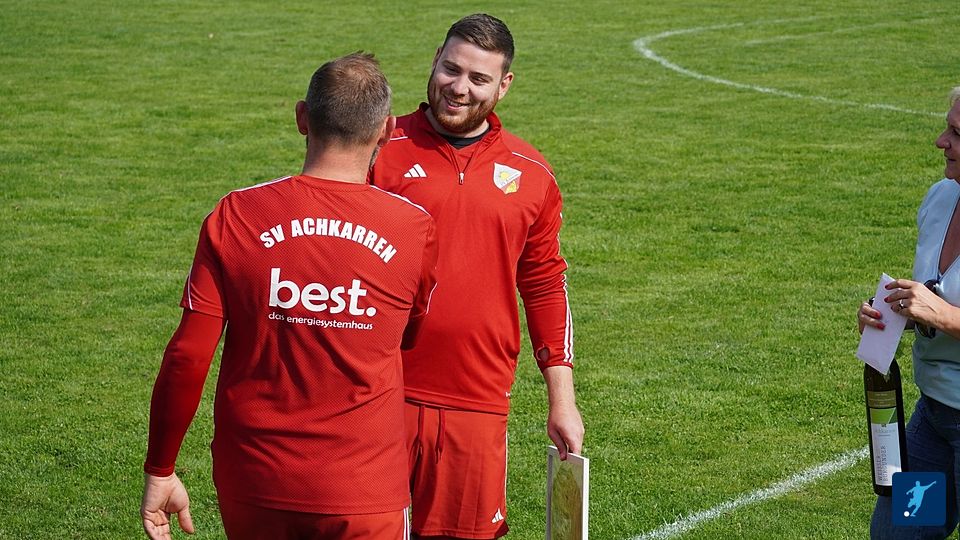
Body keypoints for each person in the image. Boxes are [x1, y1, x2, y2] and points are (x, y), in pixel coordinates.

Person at [139, 52, 438, 540]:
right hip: (364, 488)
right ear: (386, 131)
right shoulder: (413, 228)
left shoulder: (237, 214)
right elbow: (410, 333)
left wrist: (160, 468)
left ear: (302, 117)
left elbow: (188, 355)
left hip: (254, 479)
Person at [369, 13, 583, 539]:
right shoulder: (376, 148)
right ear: (434, 61)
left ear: (504, 85)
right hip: (375, 392)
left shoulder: (532, 173)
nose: (459, 88)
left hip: (477, 402)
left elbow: (544, 285)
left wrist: (562, 399)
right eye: (451, 69)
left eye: (478, 78)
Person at [858, 86, 960, 539]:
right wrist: (894, 311)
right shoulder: (941, 198)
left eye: (957, 133)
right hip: (935, 418)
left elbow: (943, 309)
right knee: (899, 535)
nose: (941, 141)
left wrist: (942, 315)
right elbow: (935, 292)